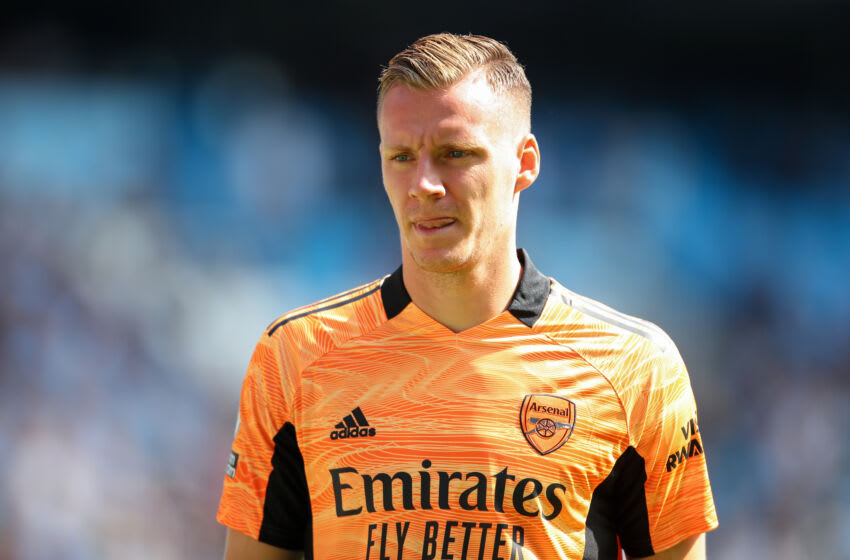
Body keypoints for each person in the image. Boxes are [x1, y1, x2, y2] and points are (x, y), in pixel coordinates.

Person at [217, 33, 718, 560]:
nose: (424, 184)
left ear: (524, 163)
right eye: (402, 156)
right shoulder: (296, 357)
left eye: (455, 153)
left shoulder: (636, 368)